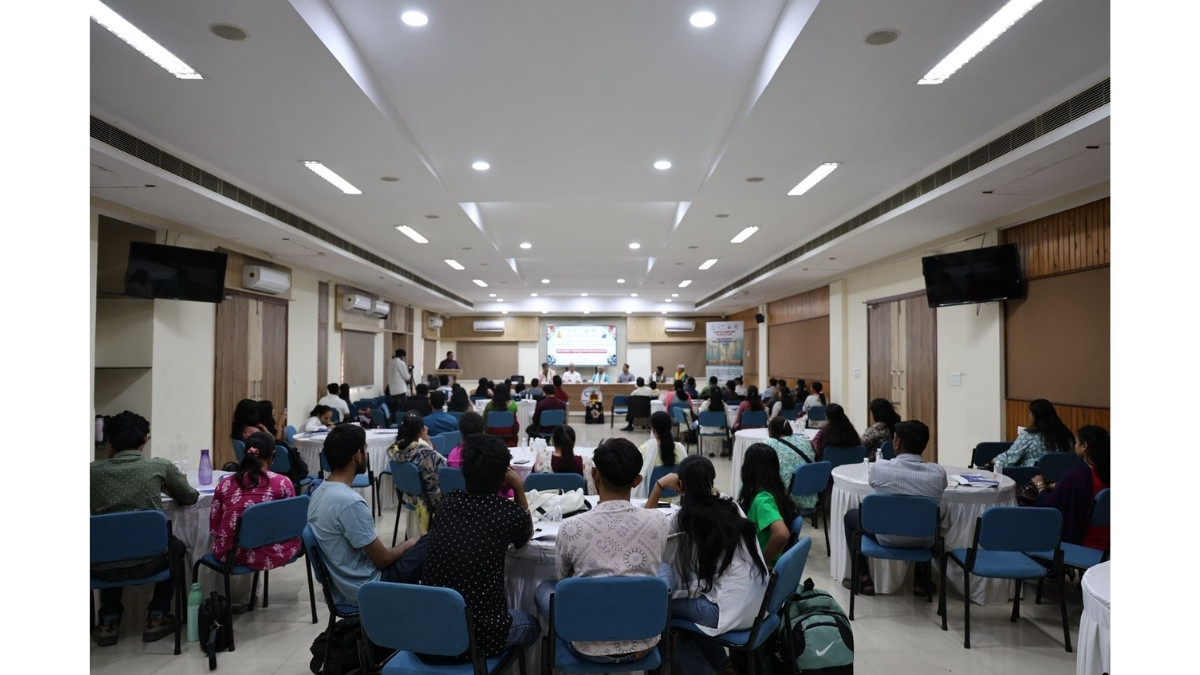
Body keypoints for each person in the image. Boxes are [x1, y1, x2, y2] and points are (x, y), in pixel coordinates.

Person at [534, 437, 670, 663]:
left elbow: (562, 577)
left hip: (584, 643)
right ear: (637, 480)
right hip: (643, 640)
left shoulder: (571, 527)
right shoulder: (659, 522)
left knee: (545, 590)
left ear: (594, 475)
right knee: (664, 573)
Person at [418, 434, 538, 662]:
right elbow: (526, 535)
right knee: (532, 624)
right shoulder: (506, 512)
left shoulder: (446, 505)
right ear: (504, 476)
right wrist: (519, 489)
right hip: (478, 637)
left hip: (430, 635)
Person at [645, 455, 769, 675]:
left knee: (657, 606)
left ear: (680, 485)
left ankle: (666, 668)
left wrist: (659, 485)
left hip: (724, 610)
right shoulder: (731, 504)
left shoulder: (686, 517)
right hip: (758, 604)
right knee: (688, 596)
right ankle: (722, 667)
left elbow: (647, 529)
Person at [91, 411, 198, 646]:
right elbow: (190, 497)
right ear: (145, 439)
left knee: (111, 542)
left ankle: (109, 619)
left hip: (98, 565)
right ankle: (158, 615)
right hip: (151, 561)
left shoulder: (90, 472)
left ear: (109, 440)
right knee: (175, 547)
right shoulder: (158, 466)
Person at [307, 425, 429, 606]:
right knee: (434, 539)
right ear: (357, 455)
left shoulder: (318, 491)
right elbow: (383, 560)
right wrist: (407, 545)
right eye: (365, 449)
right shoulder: (349, 502)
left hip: (343, 586)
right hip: (369, 587)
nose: (367, 454)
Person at [842, 420, 944, 596]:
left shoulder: (881, 468)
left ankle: (863, 579)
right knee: (926, 515)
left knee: (850, 517)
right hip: (924, 539)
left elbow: (872, 483)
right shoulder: (938, 473)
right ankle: (921, 581)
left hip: (886, 536)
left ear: (897, 443)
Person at [209, 431, 301, 579]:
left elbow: (214, 530)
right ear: (273, 456)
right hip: (272, 553)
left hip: (229, 555)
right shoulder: (283, 482)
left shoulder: (224, 485)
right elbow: (291, 525)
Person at [1032, 425, 1110, 551]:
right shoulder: (1106, 474)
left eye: (1076, 442)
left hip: (1080, 545)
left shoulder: (1075, 476)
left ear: (1084, 446)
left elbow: (1049, 507)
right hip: (1107, 548)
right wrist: (1062, 487)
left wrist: (1040, 486)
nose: (1075, 446)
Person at [737, 443, 801, 566]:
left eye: (745, 461)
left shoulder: (762, 500)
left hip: (755, 564)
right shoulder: (774, 492)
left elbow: (782, 534)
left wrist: (761, 565)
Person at [388, 412, 448, 516]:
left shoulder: (396, 450)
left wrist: (426, 440)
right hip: (428, 501)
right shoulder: (424, 453)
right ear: (420, 430)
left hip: (411, 497)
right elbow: (433, 486)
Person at [988, 398, 1076, 469]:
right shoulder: (1066, 435)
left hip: (1031, 478)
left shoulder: (1029, 435)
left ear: (1035, 416)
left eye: (1030, 413)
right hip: (1060, 479)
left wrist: (992, 462)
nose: (1029, 415)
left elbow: (1011, 457)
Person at [764, 417, 817, 509]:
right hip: (810, 492)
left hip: (788, 495)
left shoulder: (771, 443)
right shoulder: (804, 440)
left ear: (771, 430)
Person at [635, 411, 679, 498]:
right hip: (675, 500)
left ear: (653, 429)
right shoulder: (680, 448)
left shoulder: (645, 449)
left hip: (651, 502)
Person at [697, 387, 730, 457]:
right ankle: (723, 450)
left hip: (706, 431)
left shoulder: (705, 404)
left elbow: (701, 418)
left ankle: (710, 451)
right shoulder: (724, 405)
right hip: (721, 432)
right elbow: (727, 420)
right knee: (727, 430)